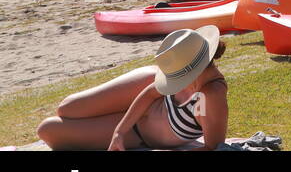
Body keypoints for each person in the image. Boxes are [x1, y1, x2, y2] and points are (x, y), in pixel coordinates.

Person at [37, 27, 228, 150]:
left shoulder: (211, 96)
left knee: (48, 130)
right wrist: (118, 132)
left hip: (138, 134)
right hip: (141, 86)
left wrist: (122, 135)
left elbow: (212, 147)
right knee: (68, 107)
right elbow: (150, 93)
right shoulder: (187, 71)